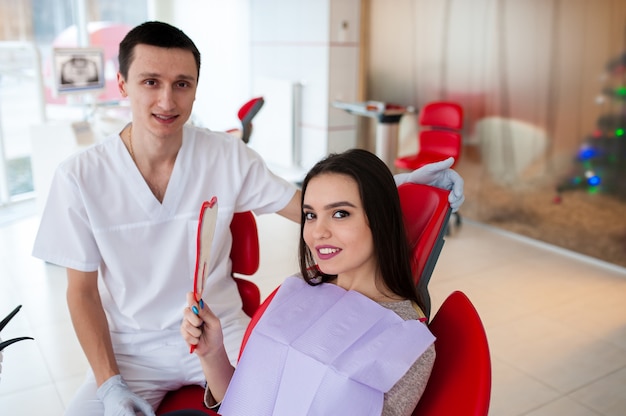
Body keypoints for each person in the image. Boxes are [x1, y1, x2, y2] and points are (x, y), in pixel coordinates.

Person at [32, 21, 463, 416]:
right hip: (131, 352)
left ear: (196, 89)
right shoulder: (79, 177)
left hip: (221, 329)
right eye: (151, 82)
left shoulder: (224, 155)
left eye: (182, 84)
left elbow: (312, 208)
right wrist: (108, 385)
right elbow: (82, 294)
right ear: (123, 84)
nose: (167, 100)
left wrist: (401, 184)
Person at [178, 149, 435, 416]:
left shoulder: (409, 341)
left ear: (380, 218)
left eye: (339, 214)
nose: (318, 232)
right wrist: (212, 352)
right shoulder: (302, 285)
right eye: (311, 215)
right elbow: (243, 401)